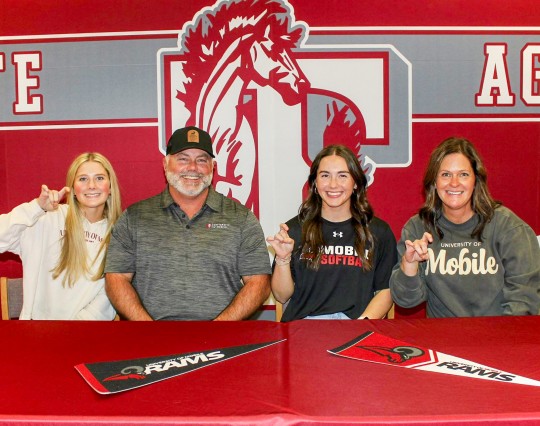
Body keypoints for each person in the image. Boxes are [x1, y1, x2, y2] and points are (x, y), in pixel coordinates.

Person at [104, 126, 271, 320]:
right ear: (165, 164)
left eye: (202, 160)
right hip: (151, 333)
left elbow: (259, 282)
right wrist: (149, 330)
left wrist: (218, 329)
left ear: (213, 167)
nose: (193, 167)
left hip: (223, 334)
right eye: (183, 159)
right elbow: (116, 279)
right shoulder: (134, 217)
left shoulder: (241, 218)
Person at [390, 137, 540, 317]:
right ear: (434, 182)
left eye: (463, 174)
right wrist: (410, 265)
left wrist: (499, 333)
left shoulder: (508, 227)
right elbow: (406, 300)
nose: (454, 183)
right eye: (446, 174)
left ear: (476, 180)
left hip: (498, 331)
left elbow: (525, 299)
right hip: (441, 333)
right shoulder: (418, 228)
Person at [266, 144, 397, 321]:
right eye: (325, 175)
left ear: (355, 182)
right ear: (315, 183)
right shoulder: (294, 230)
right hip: (304, 327)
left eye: (342, 175)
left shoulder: (378, 232)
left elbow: (386, 290)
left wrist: (362, 325)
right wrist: (283, 259)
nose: (333, 184)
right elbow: (281, 296)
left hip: (357, 325)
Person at [0, 152, 122, 320]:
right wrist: (36, 208)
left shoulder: (120, 234)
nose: (92, 185)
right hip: (36, 330)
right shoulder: (47, 217)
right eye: (83, 179)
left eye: (99, 178)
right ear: (72, 189)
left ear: (110, 187)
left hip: (84, 331)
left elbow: (108, 296)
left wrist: (71, 329)